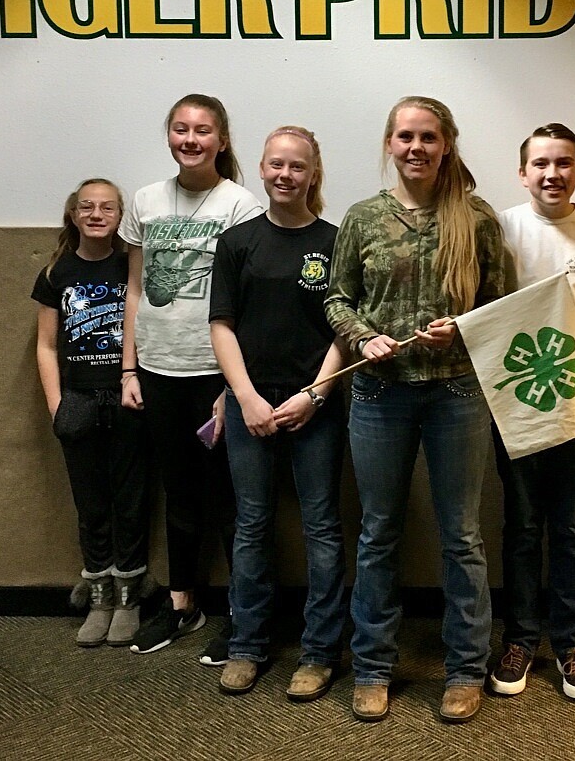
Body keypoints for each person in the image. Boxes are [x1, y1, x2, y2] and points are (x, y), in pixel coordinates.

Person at [324, 96, 505, 724]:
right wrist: (362, 335)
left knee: (461, 537)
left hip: (457, 392)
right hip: (380, 394)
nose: (416, 148)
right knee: (378, 534)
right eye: (405, 137)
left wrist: (464, 329)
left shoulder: (476, 219)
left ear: (447, 144)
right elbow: (337, 297)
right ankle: (372, 665)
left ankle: (464, 669)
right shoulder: (362, 217)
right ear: (389, 144)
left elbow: (499, 308)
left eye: (428, 137)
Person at [120, 94, 263, 661]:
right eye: (181, 129)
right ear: (169, 136)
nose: (191, 139)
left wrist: (236, 387)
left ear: (221, 141)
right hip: (158, 370)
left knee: (231, 500)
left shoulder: (240, 204)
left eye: (203, 131)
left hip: (214, 375)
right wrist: (129, 366)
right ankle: (183, 606)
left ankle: (241, 615)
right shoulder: (146, 200)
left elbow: (247, 303)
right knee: (178, 494)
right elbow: (135, 287)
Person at [490, 124, 575, 702]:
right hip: (512, 400)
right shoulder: (498, 228)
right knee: (522, 525)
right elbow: (485, 314)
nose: (552, 173)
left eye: (564, 163)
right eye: (541, 163)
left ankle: (572, 639)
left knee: (571, 526)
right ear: (523, 172)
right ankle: (521, 636)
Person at [209, 127, 347, 701]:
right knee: (251, 526)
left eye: (297, 166)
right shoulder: (238, 242)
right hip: (250, 405)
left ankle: (319, 652)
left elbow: (345, 326)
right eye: (275, 165)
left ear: (314, 173)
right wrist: (245, 397)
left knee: (321, 527)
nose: (285, 175)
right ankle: (247, 645)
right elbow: (221, 325)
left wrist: (314, 395)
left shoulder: (337, 241)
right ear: (261, 170)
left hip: (316, 407)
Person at [32, 178, 151, 647]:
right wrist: (57, 405)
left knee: (131, 498)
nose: (97, 214)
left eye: (107, 207)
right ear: (74, 214)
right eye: (88, 207)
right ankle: (99, 591)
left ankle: (129, 594)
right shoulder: (55, 273)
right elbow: (45, 346)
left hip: (126, 394)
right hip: (78, 399)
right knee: (91, 502)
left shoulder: (130, 266)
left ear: (121, 216)